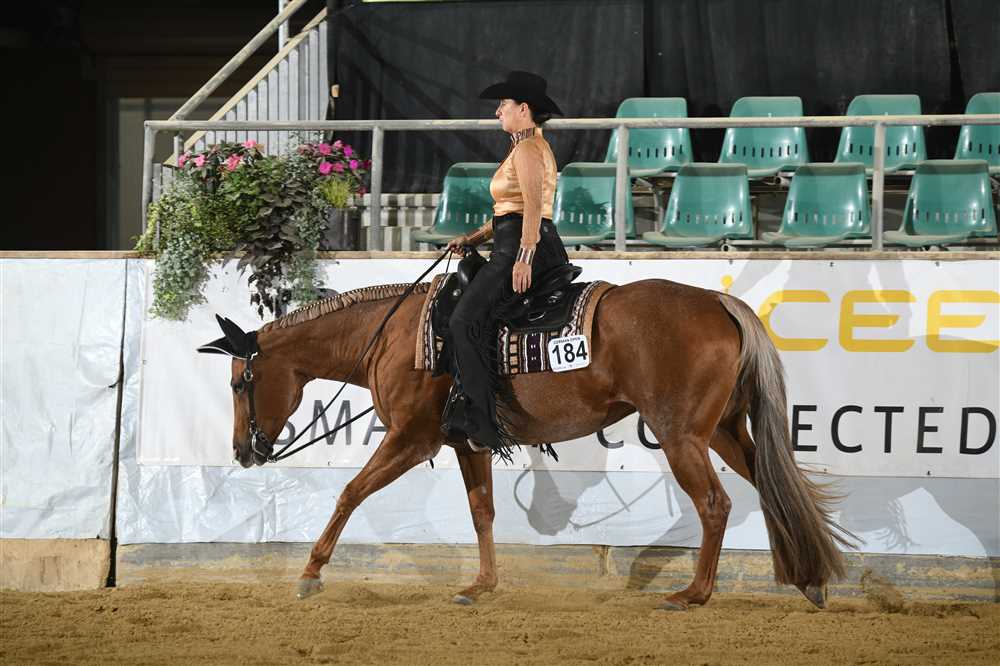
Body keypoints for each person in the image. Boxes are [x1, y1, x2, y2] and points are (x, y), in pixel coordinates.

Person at [441, 71, 570, 451]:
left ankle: (483, 424)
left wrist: (524, 257)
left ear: (523, 108)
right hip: (514, 240)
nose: (498, 111)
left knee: (462, 321)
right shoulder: (525, 147)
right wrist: (473, 238)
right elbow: (507, 211)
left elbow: (532, 207)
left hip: (523, 246)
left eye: (503, 105)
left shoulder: (528, 149)